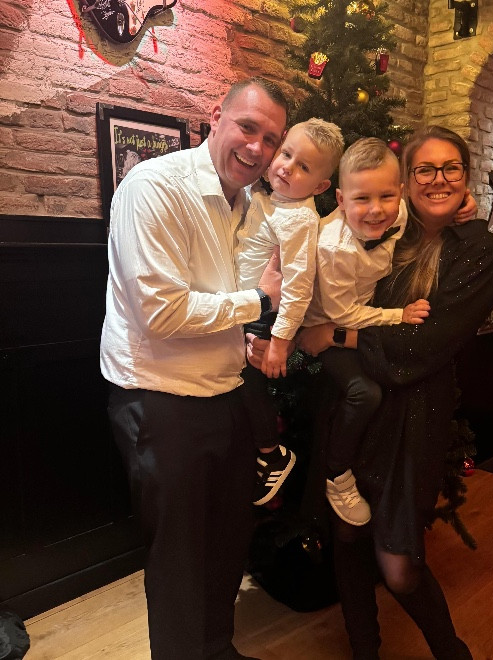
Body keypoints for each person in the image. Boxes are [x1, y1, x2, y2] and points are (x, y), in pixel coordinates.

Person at [291, 125, 493, 658]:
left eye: (451, 168)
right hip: (354, 405)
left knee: (399, 564)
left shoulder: (479, 249)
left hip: (413, 418)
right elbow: (324, 225)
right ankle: (365, 651)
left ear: (466, 176)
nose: (439, 179)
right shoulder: (389, 229)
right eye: (425, 169)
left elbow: (424, 345)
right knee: (346, 536)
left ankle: (451, 652)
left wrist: (333, 336)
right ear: (407, 181)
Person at [100, 77, 288, 660]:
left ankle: (217, 651)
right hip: (161, 400)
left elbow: (219, 293)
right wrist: (258, 303)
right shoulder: (153, 186)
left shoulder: (251, 205)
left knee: (227, 544)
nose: (257, 148)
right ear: (216, 116)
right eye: (248, 128)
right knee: (179, 561)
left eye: (271, 139)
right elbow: (160, 313)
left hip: (226, 393)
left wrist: (249, 333)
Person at [301, 137, 432, 526]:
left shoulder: (400, 212)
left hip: (364, 312)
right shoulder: (334, 248)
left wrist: (463, 207)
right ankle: (336, 473)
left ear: (400, 194)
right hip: (326, 325)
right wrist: (398, 316)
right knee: (365, 392)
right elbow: (342, 314)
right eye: (362, 199)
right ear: (341, 200)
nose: (376, 210)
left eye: (386, 196)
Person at [236, 117, 345, 506]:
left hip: (265, 315)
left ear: (320, 187)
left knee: (245, 379)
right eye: (286, 154)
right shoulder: (267, 197)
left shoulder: (301, 219)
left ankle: (272, 453)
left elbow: (298, 288)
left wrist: (281, 341)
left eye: (303, 167)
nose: (286, 167)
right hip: (243, 303)